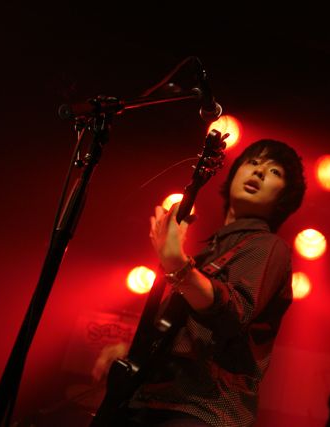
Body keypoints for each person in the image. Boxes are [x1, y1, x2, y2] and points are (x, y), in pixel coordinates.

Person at [124, 138, 307, 426]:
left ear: (285, 197)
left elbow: (235, 312)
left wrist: (179, 267)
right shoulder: (208, 253)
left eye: (275, 171)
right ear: (233, 174)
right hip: (154, 402)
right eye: (253, 162)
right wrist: (130, 354)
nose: (259, 171)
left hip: (203, 411)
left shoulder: (268, 246)